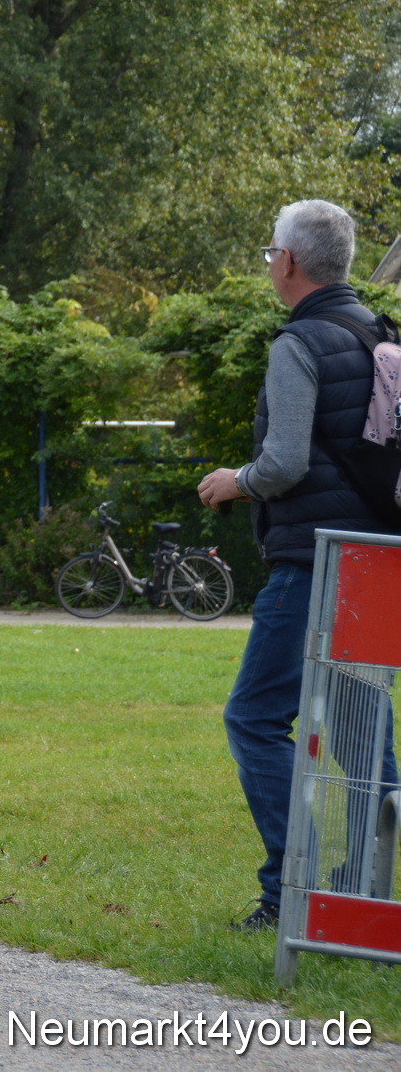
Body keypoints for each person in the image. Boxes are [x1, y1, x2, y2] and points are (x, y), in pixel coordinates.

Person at [198, 199, 400, 931]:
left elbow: (283, 461)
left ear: (287, 262)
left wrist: (235, 480)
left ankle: (294, 885)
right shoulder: (382, 337)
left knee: (253, 718)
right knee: (363, 738)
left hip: (313, 560)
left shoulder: (299, 343)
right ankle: (366, 888)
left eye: (268, 253)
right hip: (376, 563)